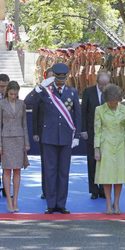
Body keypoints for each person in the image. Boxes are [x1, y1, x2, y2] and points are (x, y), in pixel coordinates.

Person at [25, 63, 81, 214]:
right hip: (48, 137)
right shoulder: (45, 93)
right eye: (58, 78)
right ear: (54, 78)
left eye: (63, 78)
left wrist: (76, 136)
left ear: (67, 77)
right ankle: (51, 203)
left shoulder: (72, 92)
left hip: (65, 137)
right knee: (50, 171)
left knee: (63, 172)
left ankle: (61, 204)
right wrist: (40, 87)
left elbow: (77, 115)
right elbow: (27, 101)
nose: (61, 81)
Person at [94, 84, 125, 214]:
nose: (113, 103)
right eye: (111, 101)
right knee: (107, 176)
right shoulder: (99, 110)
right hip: (106, 145)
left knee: (118, 176)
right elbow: (97, 130)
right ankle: (108, 203)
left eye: (115, 101)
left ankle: (116, 203)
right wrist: (97, 149)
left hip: (121, 145)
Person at [0, 81, 30, 212]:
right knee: (7, 170)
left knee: (17, 170)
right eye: (11, 94)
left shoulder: (21, 104)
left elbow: (25, 124)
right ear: (7, 92)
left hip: (19, 139)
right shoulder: (1, 104)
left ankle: (15, 200)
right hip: (5, 139)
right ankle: (8, 202)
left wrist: (27, 142)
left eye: (15, 94)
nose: (13, 96)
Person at [81, 71, 110, 199]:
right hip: (92, 131)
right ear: (97, 81)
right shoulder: (88, 92)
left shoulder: (112, 92)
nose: (104, 87)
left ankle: (104, 189)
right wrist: (83, 130)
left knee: (105, 162)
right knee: (92, 161)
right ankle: (94, 190)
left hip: (107, 133)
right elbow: (83, 112)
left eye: (106, 84)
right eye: (102, 84)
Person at [32, 67, 54, 199]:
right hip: (43, 133)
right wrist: (35, 131)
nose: (51, 81)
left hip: (57, 133)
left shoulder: (61, 92)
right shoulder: (40, 92)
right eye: (49, 78)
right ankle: (46, 191)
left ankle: (55, 191)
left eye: (54, 78)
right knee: (45, 164)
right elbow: (35, 112)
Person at [0, 74, 10, 197]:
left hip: (8, 135)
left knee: (7, 164)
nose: (3, 89)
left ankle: (6, 188)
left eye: (5, 86)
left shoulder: (11, 96)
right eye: (1, 86)